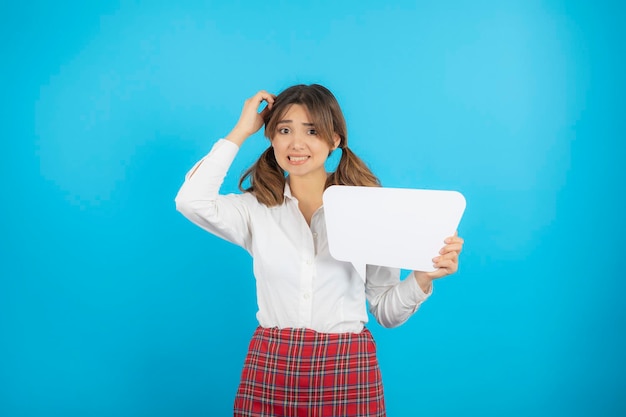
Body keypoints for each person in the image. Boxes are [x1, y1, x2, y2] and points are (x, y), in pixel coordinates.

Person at [175, 84, 464, 417]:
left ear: (335, 139)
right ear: (270, 138)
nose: (296, 143)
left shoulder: (370, 209)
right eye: (284, 130)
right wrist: (242, 130)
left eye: (312, 131)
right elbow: (190, 200)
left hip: (347, 365)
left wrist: (422, 277)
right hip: (272, 365)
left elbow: (386, 311)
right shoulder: (255, 208)